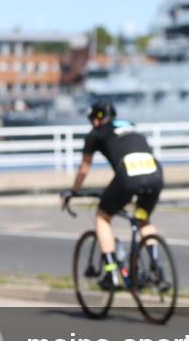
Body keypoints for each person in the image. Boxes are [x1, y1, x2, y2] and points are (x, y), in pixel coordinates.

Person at [61, 102, 165, 289]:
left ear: (95, 119)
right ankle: (156, 268)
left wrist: (73, 191)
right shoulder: (130, 126)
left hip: (128, 176)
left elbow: (84, 169)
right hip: (155, 173)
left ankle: (110, 272)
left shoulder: (95, 134)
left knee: (102, 216)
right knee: (143, 219)